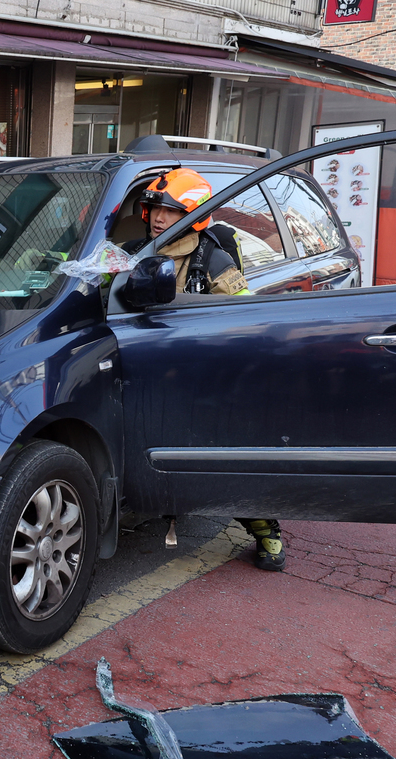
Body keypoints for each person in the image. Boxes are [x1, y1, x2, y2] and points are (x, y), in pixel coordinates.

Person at [122, 168, 285, 572]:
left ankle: (266, 530)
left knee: (224, 462)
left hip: (196, 377)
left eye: (170, 211)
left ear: (195, 215)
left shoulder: (211, 259)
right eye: (154, 208)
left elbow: (247, 320)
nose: (158, 217)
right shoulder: (132, 253)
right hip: (144, 371)